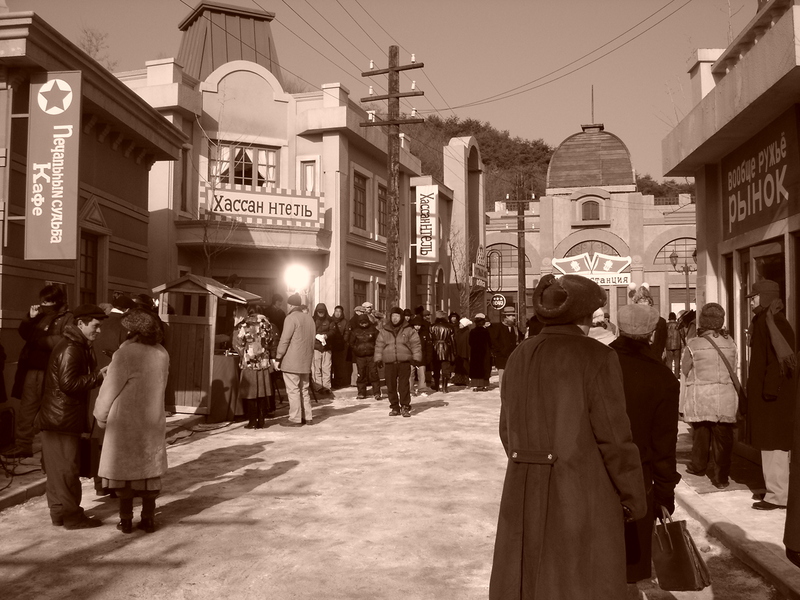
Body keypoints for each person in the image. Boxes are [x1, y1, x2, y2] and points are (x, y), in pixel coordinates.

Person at [489, 274, 647, 599]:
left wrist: (531, 464)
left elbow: (507, 428)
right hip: (581, 490)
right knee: (579, 580)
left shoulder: (519, 355)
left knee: (530, 579)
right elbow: (614, 437)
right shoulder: (597, 356)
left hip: (522, 488)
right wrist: (632, 496)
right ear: (585, 315)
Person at [609, 303, 681, 591]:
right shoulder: (661, 377)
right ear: (652, 333)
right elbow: (664, 443)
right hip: (638, 481)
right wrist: (664, 493)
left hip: (594, 475)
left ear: (618, 328)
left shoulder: (598, 364)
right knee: (629, 568)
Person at [94, 309, 169, 534]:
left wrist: (100, 416)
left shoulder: (125, 354)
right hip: (152, 421)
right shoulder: (162, 353)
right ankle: (148, 519)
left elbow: (109, 390)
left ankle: (125, 520)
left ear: (134, 332)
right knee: (148, 475)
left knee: (124, 476)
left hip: (125, 423)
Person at [34, 304, 108, 530]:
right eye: (95, 326)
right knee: (67, 470)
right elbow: (68, 384)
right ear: (81, 324)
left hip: (59, 418)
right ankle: (72, 516)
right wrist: (98, 377)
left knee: (58, 471)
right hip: (61, 420)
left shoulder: (75, 345)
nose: (99, 331)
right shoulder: (71, 348)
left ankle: (59, 513)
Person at [4, 285, 73, 459]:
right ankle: (23, 444)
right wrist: (30, 318)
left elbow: (65, 340)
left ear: (57, 301)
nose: (43, 304)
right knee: (27, 408)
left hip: (50, 370)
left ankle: (49, 450)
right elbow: (25, 334)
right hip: (32, 368)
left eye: (47, 301)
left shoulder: (67, 317)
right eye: (42, 301)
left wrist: (41, 341)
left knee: (50, 409)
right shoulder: (40, 316)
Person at [746, 279, 796, 510]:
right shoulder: (764, 320)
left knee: (774, 443)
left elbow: (779, 362)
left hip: (774, 396)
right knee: (768, 444)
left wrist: (768, 392)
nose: (751, 302)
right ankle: (773, 489)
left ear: (765, 297)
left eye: (754, 297)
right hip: (768, 394)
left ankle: (778, 496)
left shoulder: (775, 322)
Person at [682, 303, 738, 490]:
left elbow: (685, 368)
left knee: (701, 433)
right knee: (723, 438)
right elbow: (733, 366)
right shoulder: (730, 342)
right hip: (725, 396)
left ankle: (698, 466)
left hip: (702, 396)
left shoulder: (694, 343)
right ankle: (721, 477)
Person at [89, 294, 134, 496]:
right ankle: (114, 484)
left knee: (97, 437)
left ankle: (99, 483)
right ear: (128, 311)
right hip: (116, 386)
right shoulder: (125, 327)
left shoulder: (97, 326)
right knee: (114, 439)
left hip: (93, 384)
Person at [232, 306, 278, 429]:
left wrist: (244, 354)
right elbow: (271, 341)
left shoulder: (244, 325)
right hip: (263, 362)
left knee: (250, 392)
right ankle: (261, 420)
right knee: (262, 391)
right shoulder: (267, 324)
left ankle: (252, 421)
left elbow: (237, 343)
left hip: (249, 362)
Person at [275, 294, 316, 426]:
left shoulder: (290, 318)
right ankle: (308, 417)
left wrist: (278, 357)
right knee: (304, 389)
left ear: (290, 305)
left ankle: (295, 418)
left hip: (292, 361)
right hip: (306, 360)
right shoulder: (310, 319)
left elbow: (284, 339)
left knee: (293, 390)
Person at [374, 306, 421, 418]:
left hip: (404, 362)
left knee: (404, 386)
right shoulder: (384, 331)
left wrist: (416, 358)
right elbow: (379, 345)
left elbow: (416, 344)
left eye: (397, 316)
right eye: (393, 316)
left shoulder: (409, 330)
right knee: (391, 386)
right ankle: (394, 407)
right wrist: (378, 359)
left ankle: (405, 406)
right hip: (389, 362)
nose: (395, 318)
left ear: (401, 317)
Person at [349, 313, 381, 400]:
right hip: (360, 356)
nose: (363, 325)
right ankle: (361, 392)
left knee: (374, 373)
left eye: (365, 323)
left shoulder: (373, 330)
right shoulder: (355, 331)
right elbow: (351, 343)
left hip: (371, 355)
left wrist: (375, 350)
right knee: (361, 374)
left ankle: (377, 392)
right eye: (362, 323)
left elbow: (379, 341)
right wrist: (357, 350)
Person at [632, 284, 667, 361]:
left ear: (650, 303)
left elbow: (662, 344)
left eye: (645, 301)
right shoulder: (632, 322)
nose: (643, 304)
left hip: (654, 360)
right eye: (640, 301)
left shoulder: (661, 322)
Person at [489, 311, 521, 391]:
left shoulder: (514, 328)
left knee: (511, 376)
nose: (514, 318)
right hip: (502, 357)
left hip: (512, 356)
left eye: (514, 316)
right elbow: (494, 340)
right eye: (512, 316)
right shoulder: (498, 327)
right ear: (506, 316)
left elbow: (517, 340)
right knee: (502, 377)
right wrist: (499, 351)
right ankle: (503, 392)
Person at [430, 311, 455, 393]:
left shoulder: (432, 327)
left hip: (435, 348)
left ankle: (436, 385)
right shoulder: (449, 327)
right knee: (445, 369)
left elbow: (430, 339)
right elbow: (452, 340)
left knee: (436, 369)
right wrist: (454, 351)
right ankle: (444, 387)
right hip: (446, 349)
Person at [311, 303, 333, 396]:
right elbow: (310, 331)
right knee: (316, 368)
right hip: (315, 347)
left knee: (326, 367)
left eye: (322, 312)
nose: (321, 314)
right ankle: (318, 386)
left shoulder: (330, 320)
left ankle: (327, 387)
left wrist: (326, 336)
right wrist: (316, 336)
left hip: (326, 347)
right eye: (319, 312)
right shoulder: (312, 320)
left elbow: (333, 331)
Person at [409, 315, 432, 396]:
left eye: (419, 325)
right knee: (410, 375)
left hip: (422, 356)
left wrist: (428, 357)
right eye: (416, 325)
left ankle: (422, 390)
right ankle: (410, 390)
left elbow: (429, 346)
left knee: (422, 375)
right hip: (411, 357)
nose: (417, 327)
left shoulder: (425, 334)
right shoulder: (409, 333)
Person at [469, 313, 491, 391]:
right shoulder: (486, 331)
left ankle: (475, 384)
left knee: (476, 368)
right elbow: (489, 342)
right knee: (484, 367)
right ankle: (484, 384)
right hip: (485, 352)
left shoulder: (472, 331)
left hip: (475, 352)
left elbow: (470, 342)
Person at [330, 305, 350, 390]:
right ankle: (330, 382)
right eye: (336, 311)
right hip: (331, 346)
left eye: (339, 312)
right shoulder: (330, 320)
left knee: (339, 366)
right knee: (329, 365)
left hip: (341, 347)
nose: (338, 313)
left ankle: (338, 383)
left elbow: (347, 333)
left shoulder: (345, 322)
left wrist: (343, 342)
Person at [453, 317, 472, 387]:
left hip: (464, 352)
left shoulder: (467, 332)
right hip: (458, 352)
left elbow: (468, 343)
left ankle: (464, 380)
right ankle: (458, 380)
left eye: (461, 324)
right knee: (458, 366)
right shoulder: (459, 332)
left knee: (465, 365)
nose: (459, 325)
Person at [664, 311, 682, 378]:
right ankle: (677, 376)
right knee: (677, 362)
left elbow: (664, 335)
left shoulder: (666, 325)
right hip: (677, 345)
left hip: (668, 346)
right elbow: (682, 334)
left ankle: (670, 376)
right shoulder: (678, 325)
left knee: (669, 362)